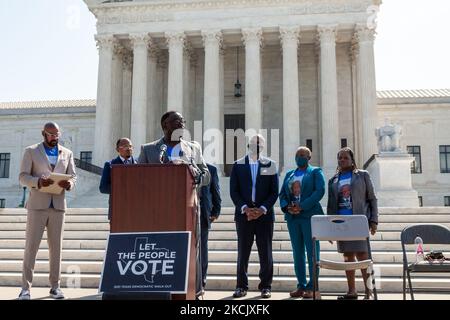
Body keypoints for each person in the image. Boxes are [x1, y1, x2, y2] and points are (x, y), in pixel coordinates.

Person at [138, 111, 210, 298]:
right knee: (159, 250)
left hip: (187, 209)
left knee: (190, 250)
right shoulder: (149, 149)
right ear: (165, 126)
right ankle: (157, 287)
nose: (181, 125)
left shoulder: (193, 148)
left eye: (183, 122)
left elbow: (206, 175)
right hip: (158, 210)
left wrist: (191, 170)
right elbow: (138, 177)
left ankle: (193, 289)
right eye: (176, 122)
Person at [18, 122, 77, 300]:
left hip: (58, 206)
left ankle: (55, 287)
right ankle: (25, 289)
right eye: (50, 134)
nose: (54, 137)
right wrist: (37, 182)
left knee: (56, 249)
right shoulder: (31, 151)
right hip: (37, 205)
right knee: (31, 248)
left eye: (56, 134)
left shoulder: (67, 153)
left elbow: (73, 176)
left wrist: (70, 184)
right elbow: (22, 177)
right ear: (43, 134)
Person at [230, 134, 279, 299]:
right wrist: (246, 209)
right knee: (243, 253)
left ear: (263, 147)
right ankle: (241, 286)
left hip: (264, 216)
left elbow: (274, 192)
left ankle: (265, 286)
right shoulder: (238, 165)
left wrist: (262, 209)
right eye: (252, 143)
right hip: (244, 216)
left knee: (266, 253)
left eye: (258, 144)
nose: (255, 146)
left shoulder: (270, 165)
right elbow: (234, 191)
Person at [327, 147, 378, 300]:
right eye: (340, 158)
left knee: (363, 256)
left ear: (352, 160)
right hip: (341, 223)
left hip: (358, 222)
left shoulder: (362, 176)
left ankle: (369, 291)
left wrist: (374, 220)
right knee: (348, 257)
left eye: (345, 158)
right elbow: (331, 205)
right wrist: (330, 228)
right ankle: (352, 291)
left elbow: (372, 199)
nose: (342, 160)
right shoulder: (333, 180)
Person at [279, 146, 325, 299]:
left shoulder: (315, 172)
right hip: (293, 218)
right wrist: (287, 207)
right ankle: (301, 285)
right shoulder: (289, 174)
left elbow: (319, 191)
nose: (300, 157)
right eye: (298, 154)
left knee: (312, 252)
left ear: (309, 157)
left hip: (309, 216)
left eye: (303, 155)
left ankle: (313, 286)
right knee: (297, 253)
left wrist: (302, 205)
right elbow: (282, 194)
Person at [99, 138, 137, 224]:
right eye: (125, 146)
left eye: (130, 146)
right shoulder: (110, 165)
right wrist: (123, 189)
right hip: (117, 209)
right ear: (117, 149)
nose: (129, 148)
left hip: (135, 209)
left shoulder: (138, 165)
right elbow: (103, 188)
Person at [200, 163, 222, 293]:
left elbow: (215, 191)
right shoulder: (182, 167)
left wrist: (216, 211)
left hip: (203, 215)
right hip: (184, 215)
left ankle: (201, 281)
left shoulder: (210, 169)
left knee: (202, 249)